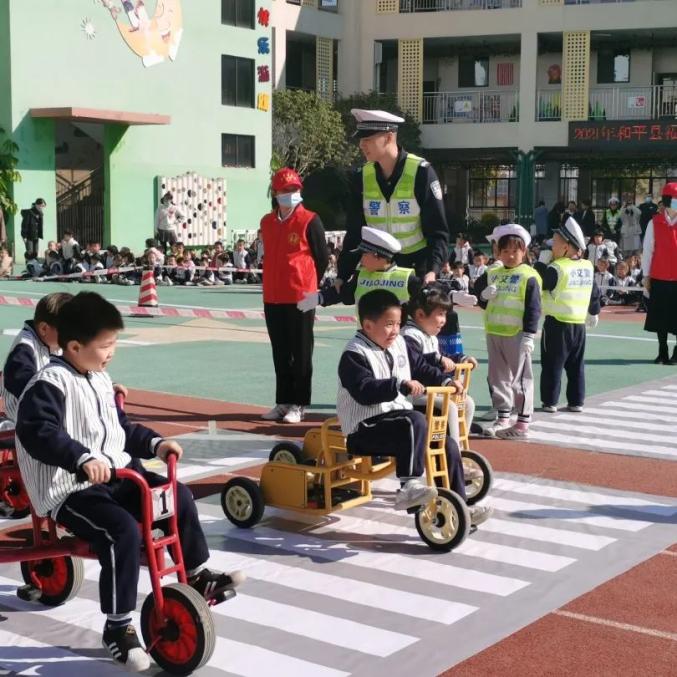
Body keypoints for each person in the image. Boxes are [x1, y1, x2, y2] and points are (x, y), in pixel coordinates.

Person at [14, 292, 244, 672]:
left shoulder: (100, 379)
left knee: (177, 496)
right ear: (73, 346)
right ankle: (117, 627)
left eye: (114, 344)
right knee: (121, 531)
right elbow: (38, 432)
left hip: (117, 475)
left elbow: (119, 427)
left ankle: (198, 574)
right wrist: (81, 458)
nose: (112, 352)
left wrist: (154, 441)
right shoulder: (50, 383)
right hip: (70, 489)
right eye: (105, 346)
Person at [336, 289, 491, 527]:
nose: (396, 330)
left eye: (398, 323)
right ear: (368, 325)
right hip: (364, 429)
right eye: (389, 324)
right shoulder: (354, 354)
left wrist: (445, 380)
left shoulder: (399, 343)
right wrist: (398, 385)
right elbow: (364, 391)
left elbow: (420, 366)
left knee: (445, 442)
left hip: (395, 423)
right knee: (414, 420)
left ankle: (460, 507)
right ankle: (409, 487)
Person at [337, 109, 449, 288]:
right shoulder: (360, 177)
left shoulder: (422, 173)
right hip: (377, 271)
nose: (361, 145)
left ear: (389, 138)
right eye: (361, 139)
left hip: (416, 271)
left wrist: (432, 270)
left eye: (367, 139)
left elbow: (438, 231)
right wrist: (342, 274)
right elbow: (354, 232)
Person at [261, 168, 328, 424]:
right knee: (280, 351)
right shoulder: (266, 222)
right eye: (285, 190)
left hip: (302, 296)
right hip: (273, 296)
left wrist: (309, 284)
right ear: (275, 193)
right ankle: (283, 401)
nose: (291, 194)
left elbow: (321, 258)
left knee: (301, 352)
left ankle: (299, 404)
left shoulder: (311, 220)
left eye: (295, 190)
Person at [478, 224, 541, 439]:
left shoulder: (528, 276)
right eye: (505, 251)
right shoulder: (493, 273)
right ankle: (503, 417)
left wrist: (529, 335)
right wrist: (483, 296)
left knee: (521, 379)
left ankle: (522, 424)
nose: (510, 255)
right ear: (498, 252)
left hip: (517, 334)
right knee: (498, 377)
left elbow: (534, 308)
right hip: (494, 332)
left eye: (515, 251)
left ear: (524, 251)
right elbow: (480, 297)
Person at [400, 285, 479, 448]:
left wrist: (462, 358)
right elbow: (419, 366)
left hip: (432, 392)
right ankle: (452, 452)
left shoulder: (430, 336)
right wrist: (446, 380)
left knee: (467, 402)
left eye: (445, 314)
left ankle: (462, 449)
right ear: (421, 315)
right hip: (414, 394)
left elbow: (442, 357)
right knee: (449, 407)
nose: (444, 320)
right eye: (440, 314)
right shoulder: (409, 336)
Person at [539, 218, 601, 413]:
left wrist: (540, 263)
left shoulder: (557, 268)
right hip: (579, 326)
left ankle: (550, 401)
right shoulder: (587, 267)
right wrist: (594, 311)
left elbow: (540, 283)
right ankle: (576, 401)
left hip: (557, 324)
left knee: (552, 365)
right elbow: (595, 292)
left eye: (556, 242)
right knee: (576, 366)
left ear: (566, 247)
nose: (552, 245)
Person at [0, 293, 73, 424]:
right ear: (44, 328)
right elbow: (21, 381)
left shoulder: (55, 342)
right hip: (23, 417)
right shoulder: (24, 348)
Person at [642, 182, 677, 364]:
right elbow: (648, 251)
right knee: (660, 317)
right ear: (668, 201)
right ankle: (662, 350)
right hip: (659, 277)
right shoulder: (654, 222)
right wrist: (646, 276)